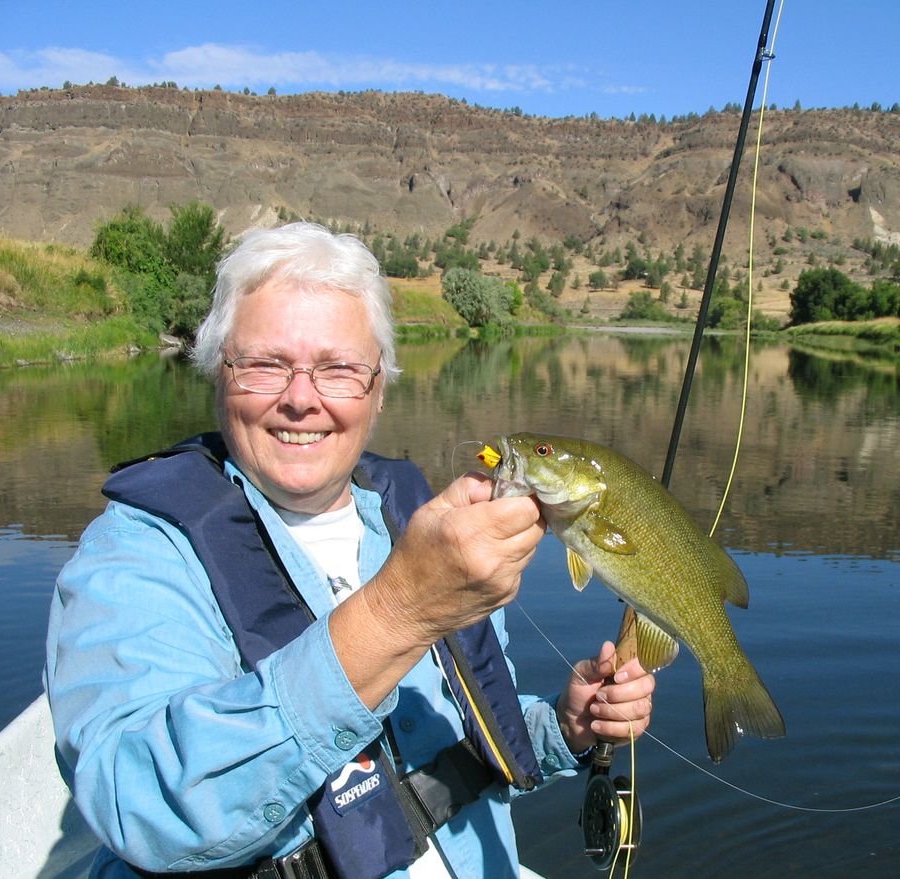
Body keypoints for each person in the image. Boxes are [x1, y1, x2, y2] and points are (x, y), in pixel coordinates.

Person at [44, 222, 656, 879]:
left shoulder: (420, 520)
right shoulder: (135, 555)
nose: (301, 397)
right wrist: (399, 613)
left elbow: (465, 749)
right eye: (265, 364)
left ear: (378, 389)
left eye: (337, 368)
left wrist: (566, 727)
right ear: (218, 374)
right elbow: (140, 807)